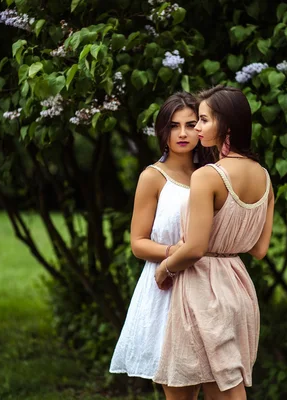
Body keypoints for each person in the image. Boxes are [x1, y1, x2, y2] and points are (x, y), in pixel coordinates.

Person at [152, 85, 275, 400]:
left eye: (203, 120)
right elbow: (260, 250)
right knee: (224, 386)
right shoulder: (264, 177)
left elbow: (194, 249)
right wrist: (230, 238)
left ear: (227, 126)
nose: (197, 128)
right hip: (239, 289)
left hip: (202, 290)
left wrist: (164, 268)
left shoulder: (207, 176)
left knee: (180, 388)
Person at [110, 92, 209, 400]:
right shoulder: (153, 177)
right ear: (162, 132)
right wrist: (174, 253)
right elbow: (138, 243)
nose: (182, 133)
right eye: (173, 126)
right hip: (165, 287)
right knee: (178, 390)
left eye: (191, 124)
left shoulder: (211, 175)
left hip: (208, 284)